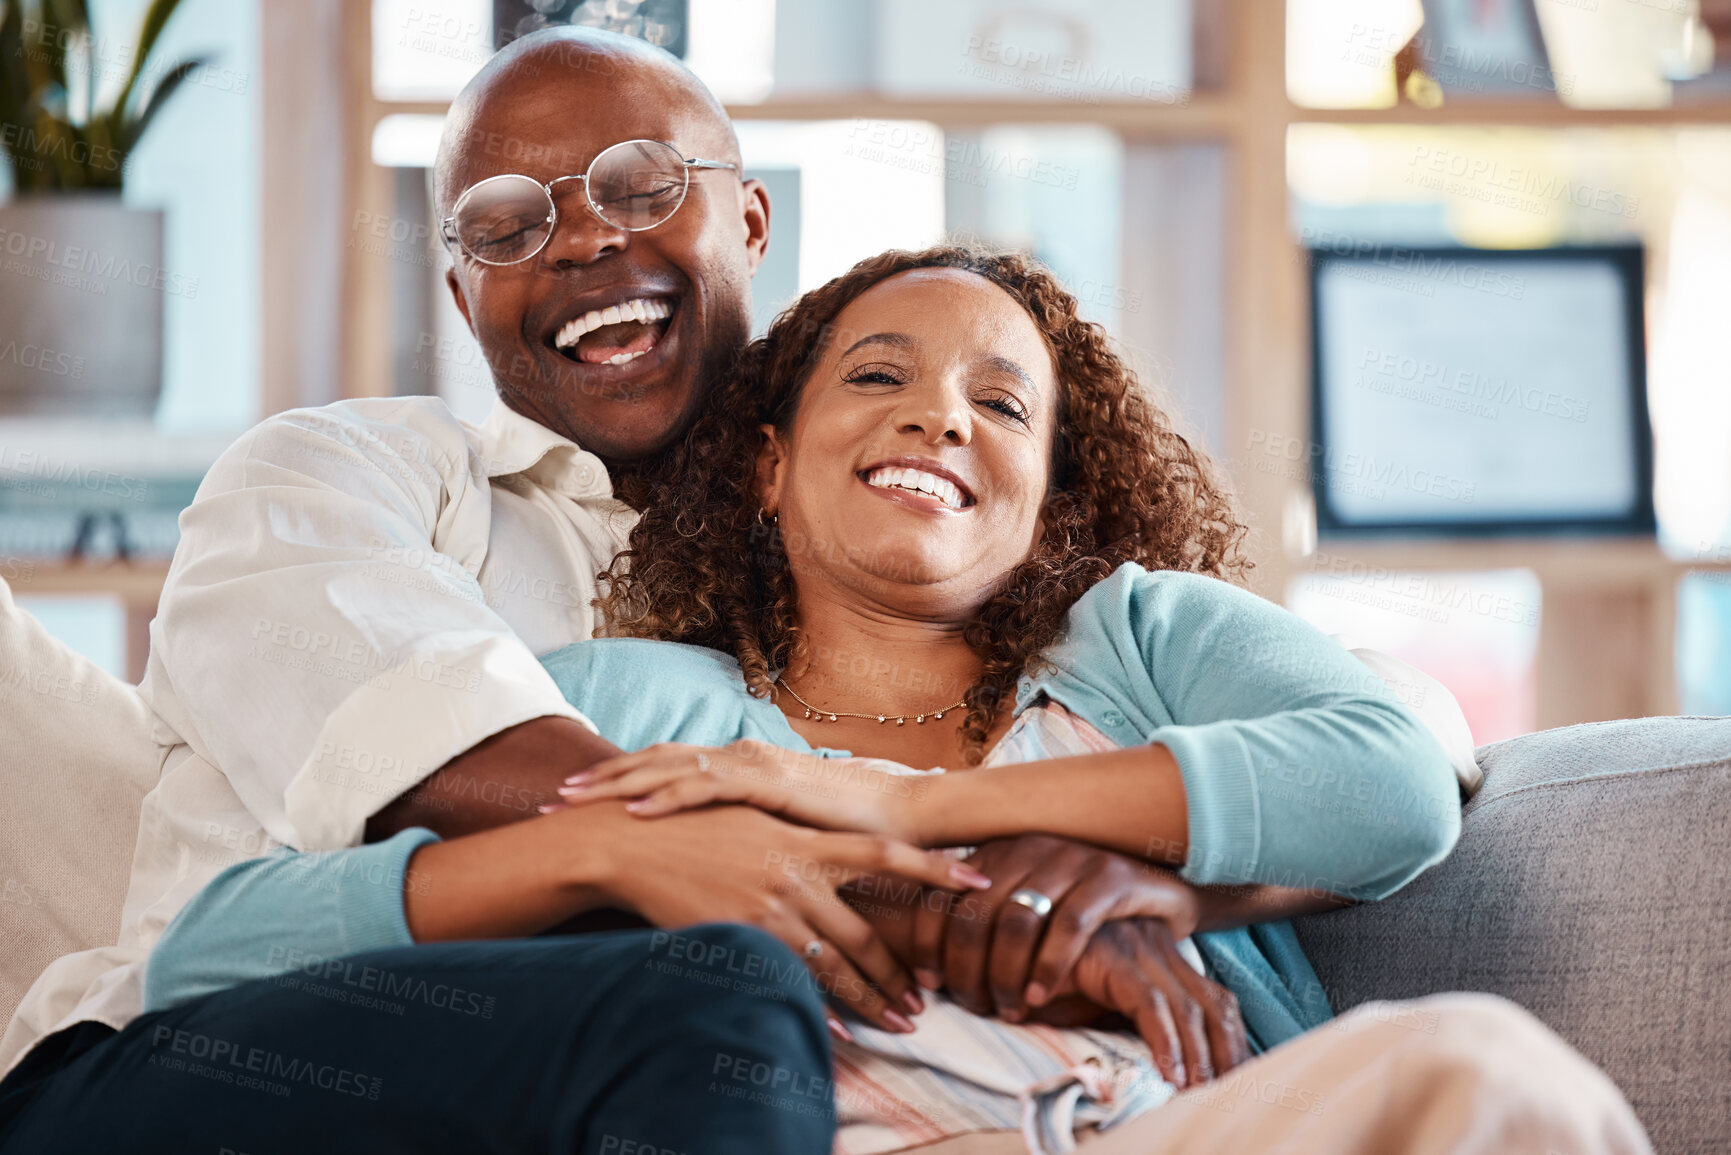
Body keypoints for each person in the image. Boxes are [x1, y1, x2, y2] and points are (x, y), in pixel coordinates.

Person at [134, 246, 1653, 1155]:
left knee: (1484, 1070)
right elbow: (219, 947)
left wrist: (919, 814)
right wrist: (596, 852)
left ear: (1048, 497)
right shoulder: (638, 711)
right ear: (765, 461)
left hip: (1191, 1128)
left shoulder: (1134, 643)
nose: (941, 412)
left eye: (1002, 404)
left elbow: (1391, 773)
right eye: (878, 378)